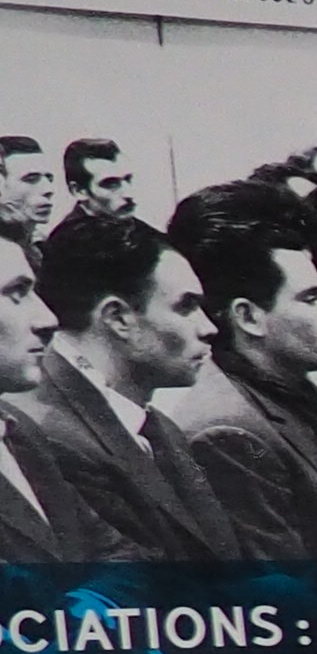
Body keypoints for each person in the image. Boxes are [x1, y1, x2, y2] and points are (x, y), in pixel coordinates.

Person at [19, 210, 246, 557]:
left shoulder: (153, 424)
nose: (208, 327)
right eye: (186, 307)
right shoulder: (49, 436)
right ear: (118, 319)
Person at [0, 229, 110, 556]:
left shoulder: (20, 429)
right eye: (17, 292)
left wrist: (90, 601)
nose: (47, 319)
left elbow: (120, 554)